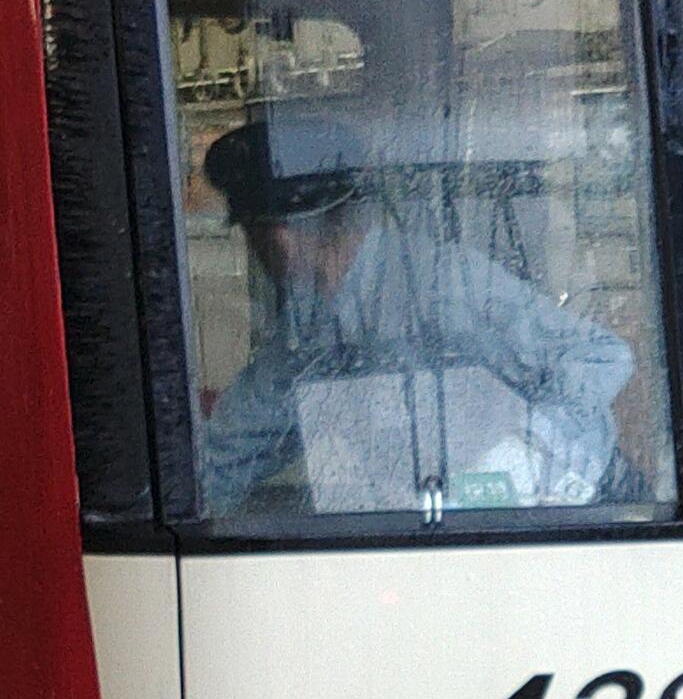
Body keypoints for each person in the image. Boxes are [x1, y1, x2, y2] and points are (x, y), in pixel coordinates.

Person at [199, 117, 637, 516]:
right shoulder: (310, 322)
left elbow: (599, 356)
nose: (256, 250)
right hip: (440, 519)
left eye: (254, 231)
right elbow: (238, 443)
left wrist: (520, 455)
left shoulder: (441, 284)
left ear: (280, 234)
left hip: (578, 510)